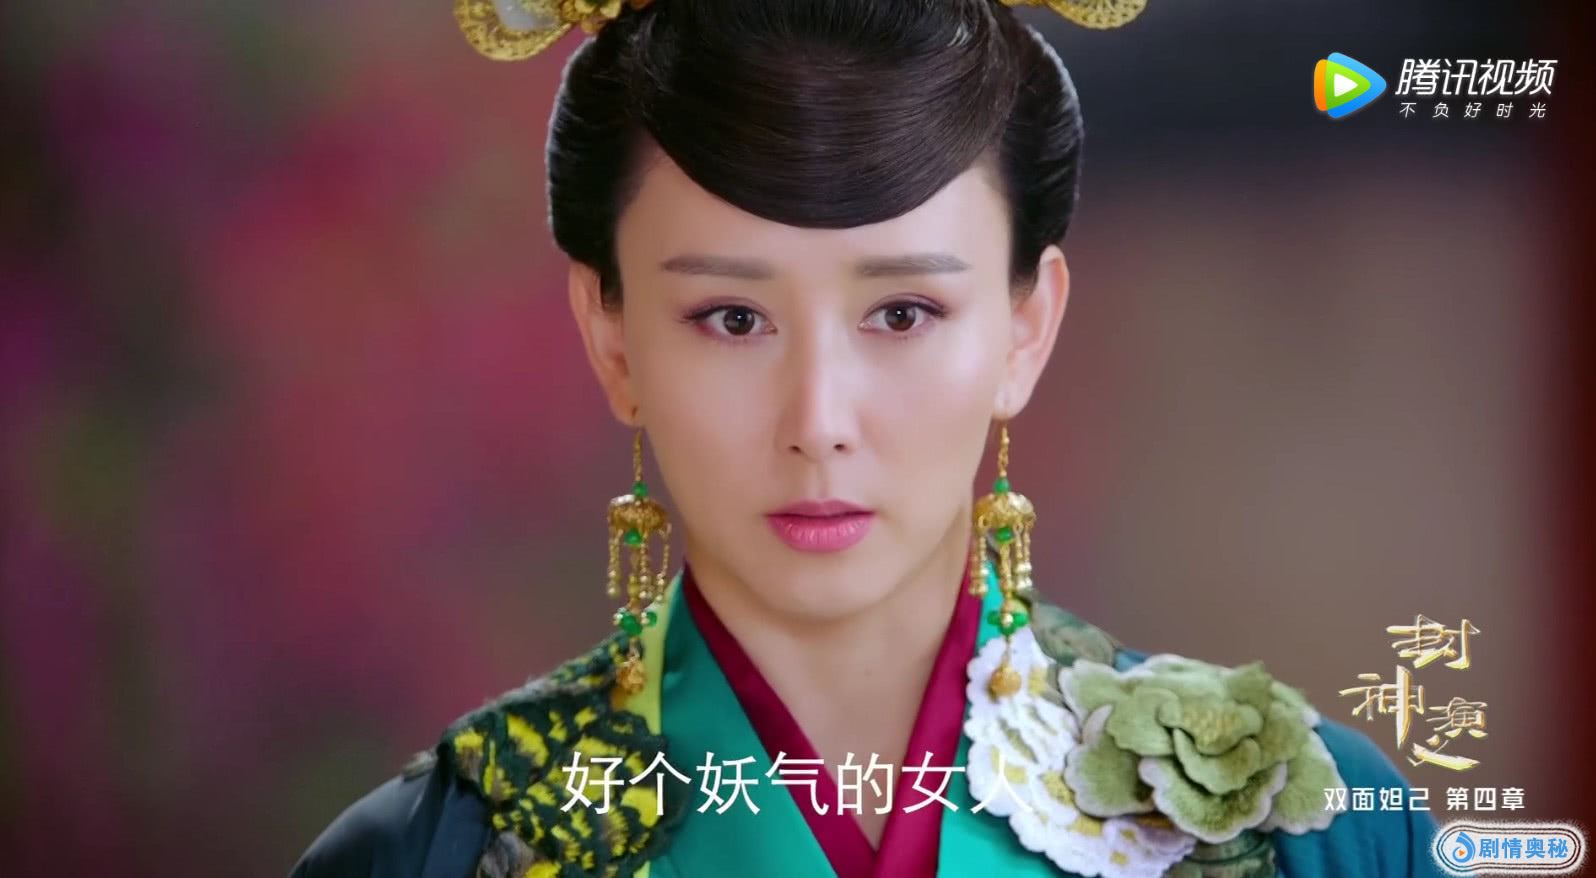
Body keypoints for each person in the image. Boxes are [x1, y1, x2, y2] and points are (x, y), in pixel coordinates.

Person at [291, 0, 1447, 875]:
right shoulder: (440, 847)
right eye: (731, 317)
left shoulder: (1308, 826)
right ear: (612, 336)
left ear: (1027, 327)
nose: (818, 423)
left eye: (902, 313)